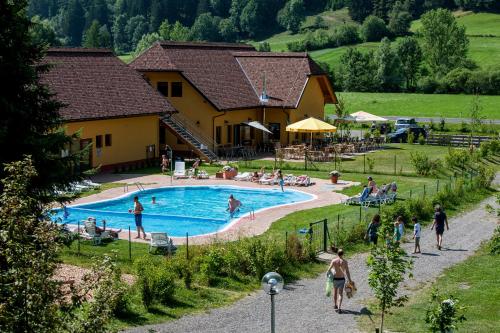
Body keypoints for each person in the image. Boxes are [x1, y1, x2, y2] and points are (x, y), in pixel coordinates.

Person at [326, 249, 352, 314]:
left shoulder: (334, 261)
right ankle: (339, 308)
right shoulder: (345, 262)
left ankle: (335, 305)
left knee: (335, 292)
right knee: (340, 294)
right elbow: (347, 272)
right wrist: (350, 280)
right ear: (343, 254)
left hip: (335, 279)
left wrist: (330, 273)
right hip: (342, 279)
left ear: (337, 254)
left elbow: (328, 270)